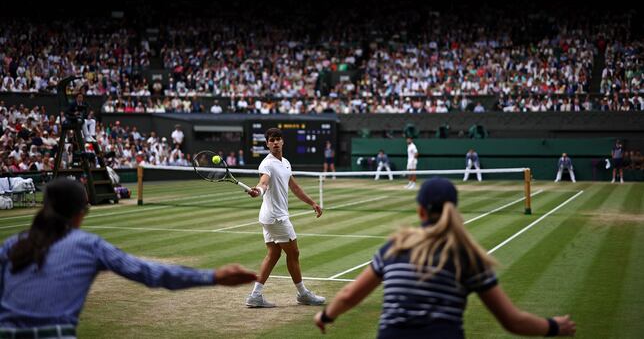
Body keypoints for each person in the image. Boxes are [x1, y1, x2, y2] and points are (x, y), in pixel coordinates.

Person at [314, 178, 576, 338]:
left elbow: (350, 295)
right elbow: (512, 321)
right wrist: (553, 326)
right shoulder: (467, 256)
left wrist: (326, 316)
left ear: (420, 210)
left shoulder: (394, 247)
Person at [0, 179, 257, 336]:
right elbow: (151, 274)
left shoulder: (12, 244)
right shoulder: (88, 245)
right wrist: (213, 276)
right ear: (80, 213)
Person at [245, 128, 325, 308]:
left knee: (274, 254)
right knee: (294, 253)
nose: (275, 142)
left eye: (278, 139)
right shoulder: (267, 164)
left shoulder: (286, 163)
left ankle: (255, 296)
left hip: (268, 217)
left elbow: (294, 187)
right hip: (276, 217)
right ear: (267, 144)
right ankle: (303, 294)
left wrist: (312, 203)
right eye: (271, 140)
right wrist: (258, 190)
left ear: (282, 142)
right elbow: (263, 182)